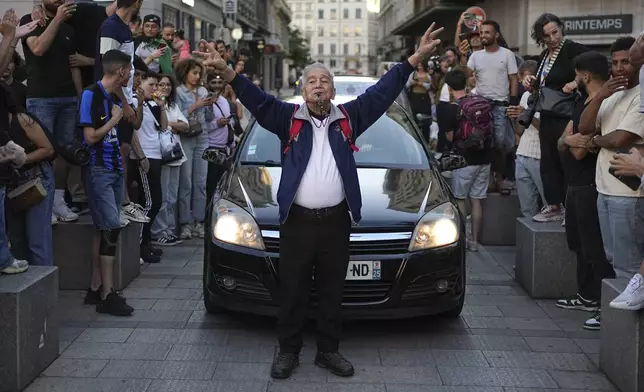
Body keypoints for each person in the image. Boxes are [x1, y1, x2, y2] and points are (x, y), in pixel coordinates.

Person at [194, 22, 444, 379]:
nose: (318, 85)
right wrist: (229, 72)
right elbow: (256, 98)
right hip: (296, 221)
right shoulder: (287, 119)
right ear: (303, 89)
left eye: (324, 81)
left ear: (333, 89)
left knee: (331, 289)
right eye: (312, 81)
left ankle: (328, 351)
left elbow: (383, 92)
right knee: (292, 289)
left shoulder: (349, 118)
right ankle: (288, 351)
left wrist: (416, 57)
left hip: (336, 221)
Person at [555, 51, 615, 330]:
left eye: (577, 75)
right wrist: (571, 140)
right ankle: (586, 295)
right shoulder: (582, 103)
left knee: (594, 249)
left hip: (589, 186)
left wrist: (571, 142)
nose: (574, 80)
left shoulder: (602, 106)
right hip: (574, 185)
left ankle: (604, 305)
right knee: (578, 245)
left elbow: (579, 152)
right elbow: (562, 142)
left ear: (585, 75)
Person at [578, 37, 644, 278]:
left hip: (629, 194)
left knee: (628, 263)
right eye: (615, 63)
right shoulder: (612, 95)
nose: (619, 68)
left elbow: (619, 139)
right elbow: (584, 127)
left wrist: (595, 141)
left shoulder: (641, 95)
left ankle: (630, 315)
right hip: (604, 188)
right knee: (613, 257)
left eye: (625, 62)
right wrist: (599, 97)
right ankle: (616, 314)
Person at [78, 49, 134, 316]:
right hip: (98, 168)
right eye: (129, 70)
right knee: (111, 228)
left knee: (103, 228)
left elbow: (132, 121)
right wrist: (114, 119)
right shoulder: (91, 94)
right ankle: (108, 294)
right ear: (121, 70)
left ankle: (95, 287)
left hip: (114, 167)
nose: (131, 74)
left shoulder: (114, 96)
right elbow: (89, 138)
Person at [21, 0, 83, 225]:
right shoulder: (30, 20)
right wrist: (56, 18)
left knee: (65, 151)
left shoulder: (69, 28)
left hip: (68, 98)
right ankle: (43, 204)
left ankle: (58, 200)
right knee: (44, 151)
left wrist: (79, 99)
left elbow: (73, 65)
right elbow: (37, 49)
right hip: (41, 97)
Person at [525, 13, 588, 222]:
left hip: (565, 113)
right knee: (549, 159)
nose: (552, 38)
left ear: (562, 29)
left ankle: (570, 208)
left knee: (565, 160)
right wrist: (532, 81)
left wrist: (577, 82)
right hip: (548, 112)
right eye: (547, 35)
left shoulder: (571, 48)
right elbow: (546, 82)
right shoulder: (545, 56)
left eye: (555, 32)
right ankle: (554, 205)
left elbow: (596, 64)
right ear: (541, 38)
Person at [95, 0, 149, 225]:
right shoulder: (111, 27)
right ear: (137, 2)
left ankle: (123, 202)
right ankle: (121, 203)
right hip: (113, 101)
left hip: (123, 98)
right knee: (118, 151)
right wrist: (125, 103)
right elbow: (109, 71)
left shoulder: (124, 27)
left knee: (124, 149)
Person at [467, 20, 519, 195]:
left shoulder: (507, 55)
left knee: (501, 143)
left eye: (487, 32)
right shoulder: (475, 56)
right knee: (482, 143)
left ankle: (500, 178)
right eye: (481, 32)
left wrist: (512, 103)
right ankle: (488, 180)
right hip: (480, 106)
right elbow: (464, 75)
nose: (483, 36)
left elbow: (514, 80)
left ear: (497, 35)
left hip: (501, 106)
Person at [446, 69, 494, 251]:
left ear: (449, 88)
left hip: (464, 160)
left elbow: (450, 138)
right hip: (485, 158)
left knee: (460, 199)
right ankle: (474, 241)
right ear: (465, 84)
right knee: (477, 200)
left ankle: (461, 239)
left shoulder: (453, 108)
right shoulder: (481, 102)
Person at [175, 58, 213, 240]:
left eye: (199, 73)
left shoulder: (203, 90)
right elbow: (176, 117)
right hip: (186, 138)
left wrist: (210, 104)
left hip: (202, 137)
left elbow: (209, 117)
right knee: (186, 182)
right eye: (194, 73)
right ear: (185, 73)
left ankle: (199, 221)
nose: (197, 77)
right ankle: (185, 223)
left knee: (201, 182)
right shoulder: (178, 92)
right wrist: (194, 106)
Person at [130, 71, 166, 261]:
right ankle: (139, 246)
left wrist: (162, 107)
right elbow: (133, 131)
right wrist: (141, 156)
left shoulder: (152, 104)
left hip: (157, 153)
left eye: (156, 85)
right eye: (151, 84)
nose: (155, 88)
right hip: (144, 155)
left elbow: (164, 127)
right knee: (148, 203)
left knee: (157, 201)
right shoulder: (134, 102)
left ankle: (147, 241)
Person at [151, 75, 187, 246]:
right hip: (161, 155)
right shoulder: (152, 104)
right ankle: (160, 231)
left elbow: (185, 125)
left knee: (172, 197)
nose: (165, 87)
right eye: (161, 84)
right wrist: (173, 125)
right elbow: (160, 126)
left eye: (167, 85)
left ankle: (170, 230)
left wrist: (170, 124)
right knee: (163, 197)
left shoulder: (172, 105)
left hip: (176, 155)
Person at [507, 60, 545, 218]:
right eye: (522, 79)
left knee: (549, 206)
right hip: (522, 155)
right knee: (527, 209)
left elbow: (546, 129)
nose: (524, 82)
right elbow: (519, 130)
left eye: (527, 77)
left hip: (540, 157)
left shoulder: (546, 96)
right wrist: (515, 117)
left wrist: (526, 113)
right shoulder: (525, 95)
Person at [205, 73, 236, 204]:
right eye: (213, 82)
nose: (217, 86)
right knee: (210, 185)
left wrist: (232, 145)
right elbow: (202, 125)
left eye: (219, 83)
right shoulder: (205, 101)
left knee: (221, 185)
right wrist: (217, 123)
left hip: (224, 149)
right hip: (210, 148)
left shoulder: (224, 101)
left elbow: (230, 124)